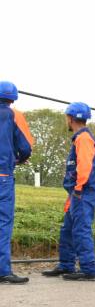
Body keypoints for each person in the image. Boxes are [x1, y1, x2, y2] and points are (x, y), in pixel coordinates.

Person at [42, 103, 95, 281]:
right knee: (67, 229)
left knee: (81, 229)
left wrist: (78, 189)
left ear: (70, 118)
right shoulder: (80, 138)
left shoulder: (83, 138)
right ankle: (66, 264)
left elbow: (85, 165)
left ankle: (88, 269)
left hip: (82, 192)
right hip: (77, 192)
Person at [0, 81, 33, 285]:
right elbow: (26, 147)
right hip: (2, 176)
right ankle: (3, 272)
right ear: (13, 98)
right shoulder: (14, 115)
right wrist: (17, 159)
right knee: (3, 223)